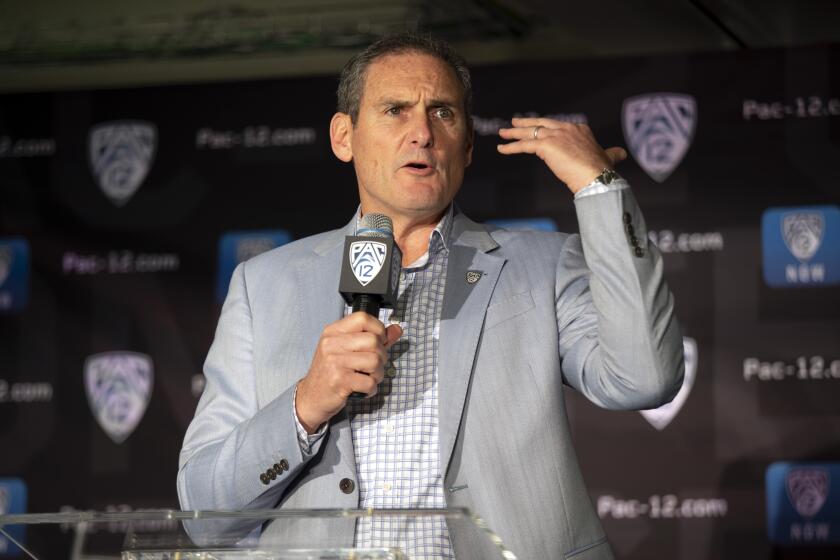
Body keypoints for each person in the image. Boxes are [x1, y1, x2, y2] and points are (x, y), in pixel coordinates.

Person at [178, 32, 684, 560]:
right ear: (343, 136)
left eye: (441, 112)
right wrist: (305, 405)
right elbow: (203, 516)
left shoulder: (544, 265)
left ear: (466, 145)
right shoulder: (263, 285)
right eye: (395, 110)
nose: (421, 132)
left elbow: (644, 378)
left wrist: (598, 188)